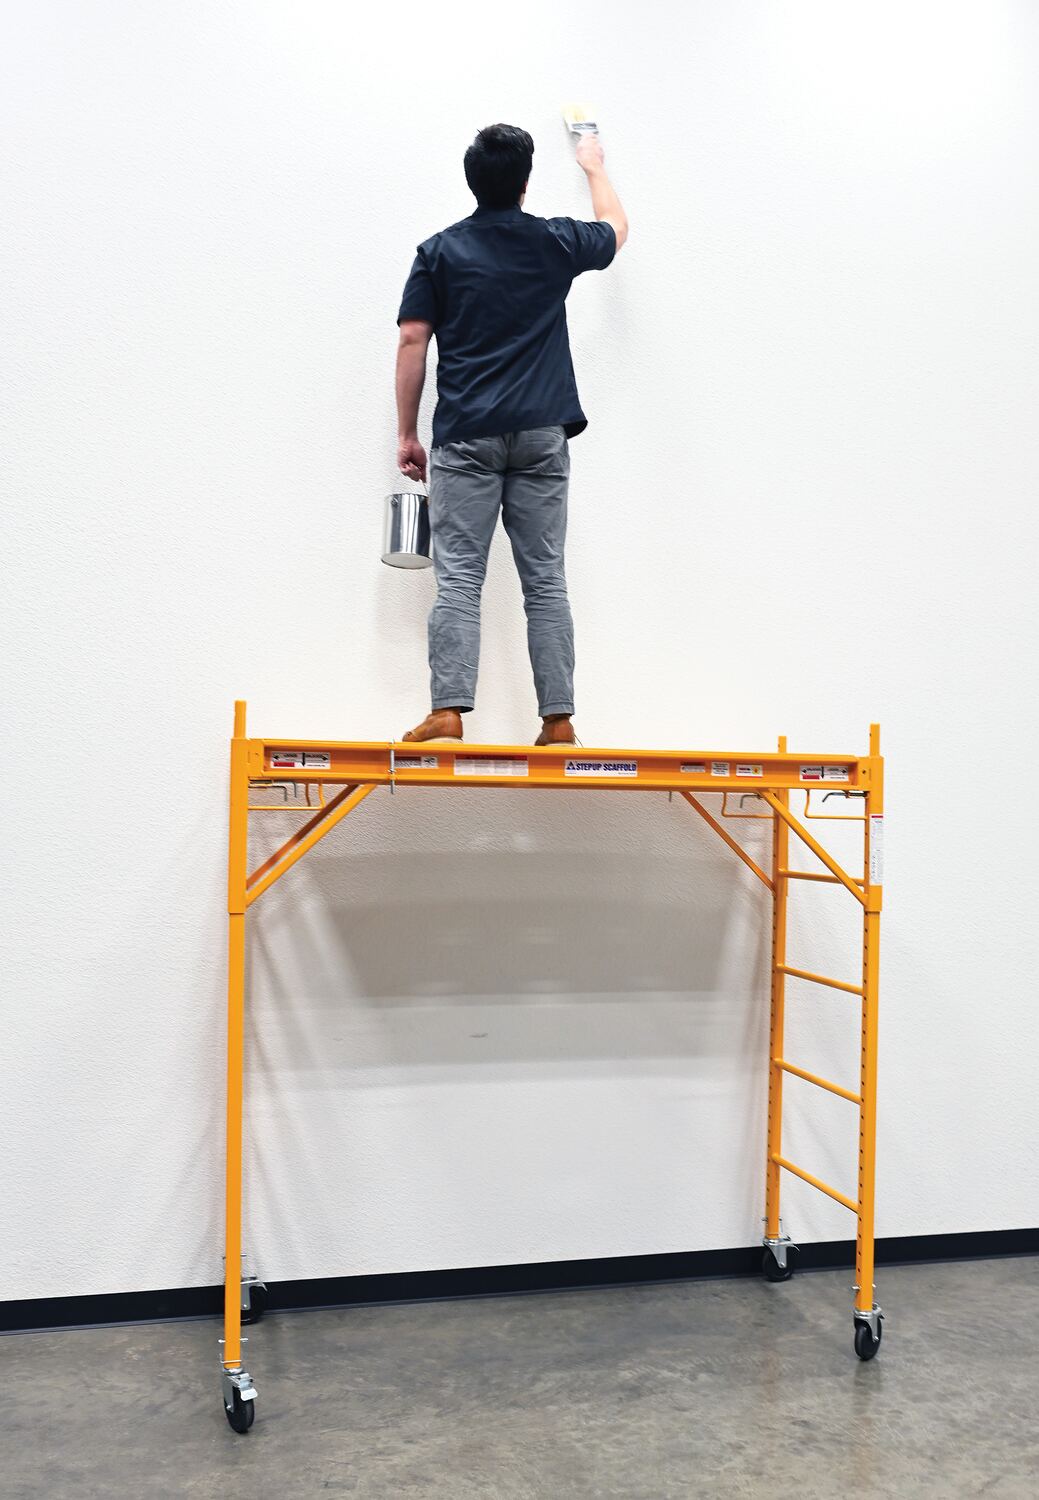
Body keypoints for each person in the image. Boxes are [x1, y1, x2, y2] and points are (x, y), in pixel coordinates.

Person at [394, 122, 628, 745]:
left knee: (460, 577)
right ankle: (558, 720)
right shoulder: (554, 240)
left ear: (472, 182)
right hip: (540, 431)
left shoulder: (438, 252)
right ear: (525, 184)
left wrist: (407, 433)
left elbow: (413, 339)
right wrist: (592, 165)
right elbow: (616, 230)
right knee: (545, 579)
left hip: (467, 433)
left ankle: (448, 713)